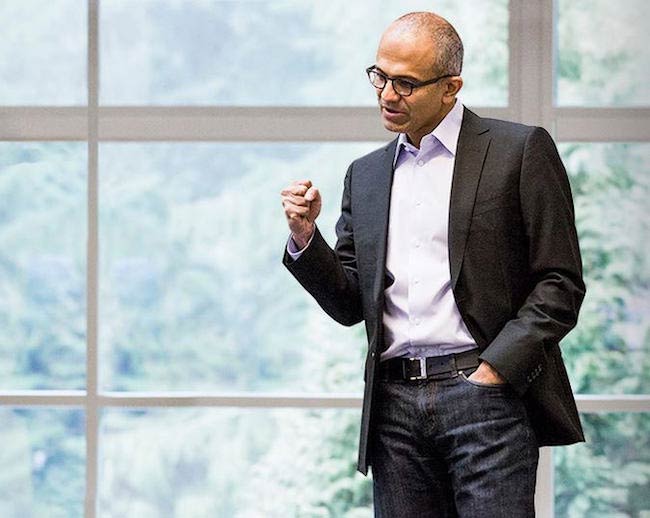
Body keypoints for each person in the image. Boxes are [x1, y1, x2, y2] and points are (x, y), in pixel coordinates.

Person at [280, 11, 585, 517]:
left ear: (451, 87)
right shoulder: (367, 175)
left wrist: (495, 372)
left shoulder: (519, 150)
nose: (386, 95)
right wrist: (304, 237)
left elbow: (560, 281)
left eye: (405, 83)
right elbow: (350, 303)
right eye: (379, 77)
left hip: (485, 399)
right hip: (393, 407)